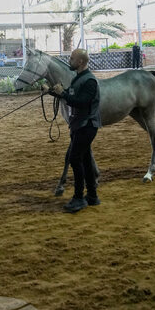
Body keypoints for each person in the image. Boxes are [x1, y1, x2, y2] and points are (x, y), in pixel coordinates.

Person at [49, 48, 101, 213]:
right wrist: (52, 92)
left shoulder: (90, 81)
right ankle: (92, 196)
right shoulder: (79, 78)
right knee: (84, 160)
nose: (69, 61)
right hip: (80, 125)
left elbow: (81, 102)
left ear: (80, 62)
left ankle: (79, 198)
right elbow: (71, 98)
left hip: (87, 126)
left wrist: (63, 93)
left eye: (71, 58)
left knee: (74, 159)